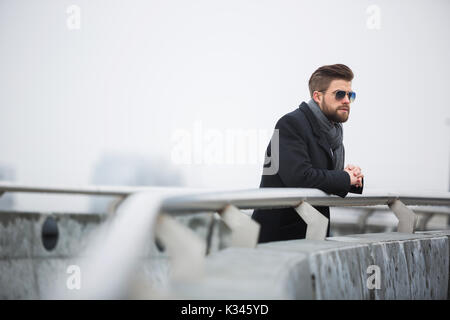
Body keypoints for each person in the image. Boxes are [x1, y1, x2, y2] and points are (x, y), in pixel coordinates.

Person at [252, 64, 364, 243]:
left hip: (311, 233)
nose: (346, 100)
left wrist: (352, 178)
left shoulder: (333, 131)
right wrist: (344, 178)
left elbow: (322, 176)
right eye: (340, 94)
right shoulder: (291, 124)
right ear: (317, 96)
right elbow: (300, 177)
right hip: (279, 237)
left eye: (350, 95)